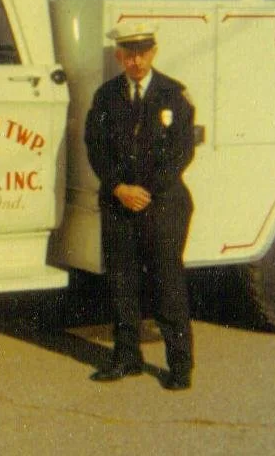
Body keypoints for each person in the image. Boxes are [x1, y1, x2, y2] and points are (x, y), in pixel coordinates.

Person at [84, 22, 196, 390]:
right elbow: (95, 146)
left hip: (162, 204)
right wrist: (118, 187)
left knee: (167, 284)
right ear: (119, 56)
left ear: (153, 52)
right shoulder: (106, 96)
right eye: (129, 54)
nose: (136, 60)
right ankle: (126, 358)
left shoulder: (173, 95)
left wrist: (142, 190)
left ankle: (179, 367)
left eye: (143, 53)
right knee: (122, 284)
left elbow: (182, 151)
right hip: (119, 203)